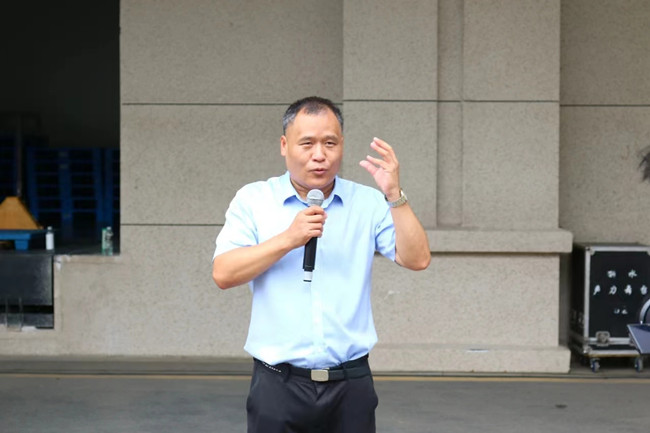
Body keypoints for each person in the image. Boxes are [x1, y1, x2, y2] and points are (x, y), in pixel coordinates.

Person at [212, 96, 430, 433]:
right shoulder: (254, 200)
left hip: (350, 384)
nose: (319, 155)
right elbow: (224, 273)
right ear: (284, 145)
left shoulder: (367, 202)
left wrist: (394, 195)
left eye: (330, 143)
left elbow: (417, 259)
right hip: (278, 384)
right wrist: (289, 238)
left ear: (342, 145)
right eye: (307, 143)